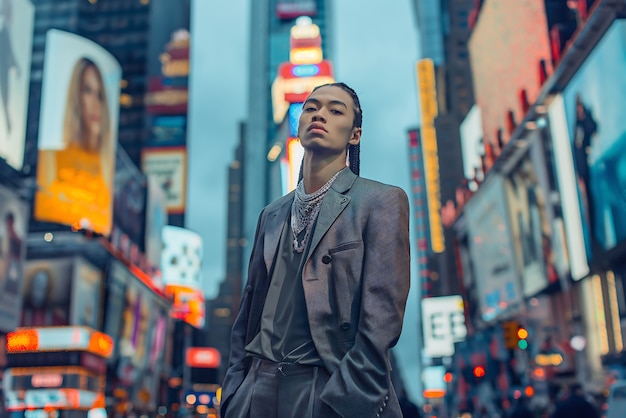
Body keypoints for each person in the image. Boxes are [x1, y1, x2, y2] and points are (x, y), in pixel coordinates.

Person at [221, 82, 411, 418]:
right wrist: (235, 392)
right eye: (311, 107)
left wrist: (346, 397)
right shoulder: (271, 214)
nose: (319, 114)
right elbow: (247, 316)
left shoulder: (380, 202)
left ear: (355, 135)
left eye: (335, 110)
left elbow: (382, 318)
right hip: (257, 392)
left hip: (328, 390)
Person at [35, 57, 114, 233]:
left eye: (100, 95)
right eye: (88, 91)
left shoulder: (107, 167)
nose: (95, 104)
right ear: (77, 96)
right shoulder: (49, 156)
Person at [0, 0, 19, 135]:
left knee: (5, 97)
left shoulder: (5, 28)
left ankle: (8, 126)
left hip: (3, 68)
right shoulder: (3, 26)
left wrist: (16, 66)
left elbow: (9, 50)